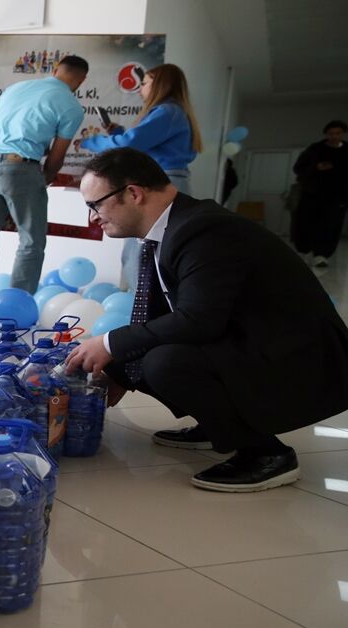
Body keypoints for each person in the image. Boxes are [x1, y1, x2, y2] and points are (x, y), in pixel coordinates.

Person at [65, 148, 348, 492]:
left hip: (302, 361)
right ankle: (217, 424)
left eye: (94, 205)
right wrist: (119, 369)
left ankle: (266, 454)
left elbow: (200, 320)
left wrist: (110, 343)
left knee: (164, 362)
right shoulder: (172, 228)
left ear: (133, 193)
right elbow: (161, 316)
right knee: (139, 351)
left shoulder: (203, 230)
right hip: (255, 342)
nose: (92, 218)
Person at [0, 55, 88, 294]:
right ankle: (18, 305)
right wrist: (43, 179)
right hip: (21, 168)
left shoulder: (16, 87)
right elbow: (57, 157)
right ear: (82, 79)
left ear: (56, 70)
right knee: (31, 241)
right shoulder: (71, 105)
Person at [82, 63, 202, 290]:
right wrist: (117, 133)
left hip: (160, 185)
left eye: (144, 83)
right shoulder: (175, 113)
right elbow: (139, 145)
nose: (139, 89)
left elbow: (129, 145)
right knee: (152, 251)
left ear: (160, 84)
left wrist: (91, 142)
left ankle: (143, 312)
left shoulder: (167, 112)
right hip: (171, 181)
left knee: (139, 252)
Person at [291, 120, 348, 267]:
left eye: (338, 133)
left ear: (343, 134)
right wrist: (316, 167)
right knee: (305, 222)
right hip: (313, 193)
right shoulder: (315, 149)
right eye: (331, 133)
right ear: (326, 134)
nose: (334, 136)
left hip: (337, 196)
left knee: (331, 225)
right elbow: (298, 168)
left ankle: (321, 255)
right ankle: (303, 251)